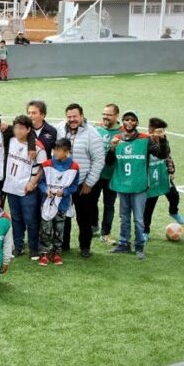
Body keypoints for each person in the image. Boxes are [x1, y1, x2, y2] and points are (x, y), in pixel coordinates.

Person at [106, 111, 168, 259]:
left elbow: (161, 155)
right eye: (127, 119)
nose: (129, 122)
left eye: (133, 120)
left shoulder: (145, 140)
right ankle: (123, 244)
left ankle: (140, 246)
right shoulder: (117, 139)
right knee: (124, 217)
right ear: (122, 121)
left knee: (139, 219)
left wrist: (163, 140)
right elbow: (109, 162)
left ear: (137, 123)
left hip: (139, 185)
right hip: (122, 185)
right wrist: (112, 148)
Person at [55, 103, 105, 258]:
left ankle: (85, 247)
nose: (72, 119)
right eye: (69, 117)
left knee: (84, 218)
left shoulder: (92, 133)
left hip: (83, 184)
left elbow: (98, 160)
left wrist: (89, 182)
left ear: (82, 116)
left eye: (75, 116)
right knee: (63, 216)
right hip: (64, 183)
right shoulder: (59, 129)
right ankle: (64, 245)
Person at [3, 115, 43, 259]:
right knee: (16, 219)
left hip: (27, 190)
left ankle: (34, 248)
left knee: (30, 220)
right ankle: (18, 247)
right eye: (16, 128)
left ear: (28, 130)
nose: (18, 131)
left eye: (21, 128)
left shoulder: (38, 147)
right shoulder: (10, 140)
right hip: (11, 187)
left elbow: (43, 167)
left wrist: (33, 182)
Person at [38, 138, 79, 266]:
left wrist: (64, 192)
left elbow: (74, 186)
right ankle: (45, 253)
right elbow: (41, 183)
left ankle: (56, 252)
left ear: (66, 152)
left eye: (58, 150)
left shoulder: (74, 167)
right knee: (46, 228)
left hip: (62, 204)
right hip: (47, 203)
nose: (55, 152)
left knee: (59, 229)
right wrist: (46, 191)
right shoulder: (46, 164)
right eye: (54, 149)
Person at [142, 117, 184, 241]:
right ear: (151, 131)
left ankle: (173, 211)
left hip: (163, 175)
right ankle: (145, 230)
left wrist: (171, 171)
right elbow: (159, 155)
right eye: (159, 131)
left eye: (163, 131)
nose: (162, 133)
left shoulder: (164, 140)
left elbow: (167, 156)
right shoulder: (145, 142)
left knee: (174, 196)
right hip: (150, 178)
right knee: (149, 207)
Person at [94, 104, 122, 245]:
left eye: (109, 115)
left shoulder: (123, 133)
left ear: (116, 116)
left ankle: (105, 233)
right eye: (104, 114)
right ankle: (93, 225)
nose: (105, 117)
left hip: (112, 176)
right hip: (96, 174)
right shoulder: (96, 128)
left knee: (109, 205)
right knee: (91, 202)